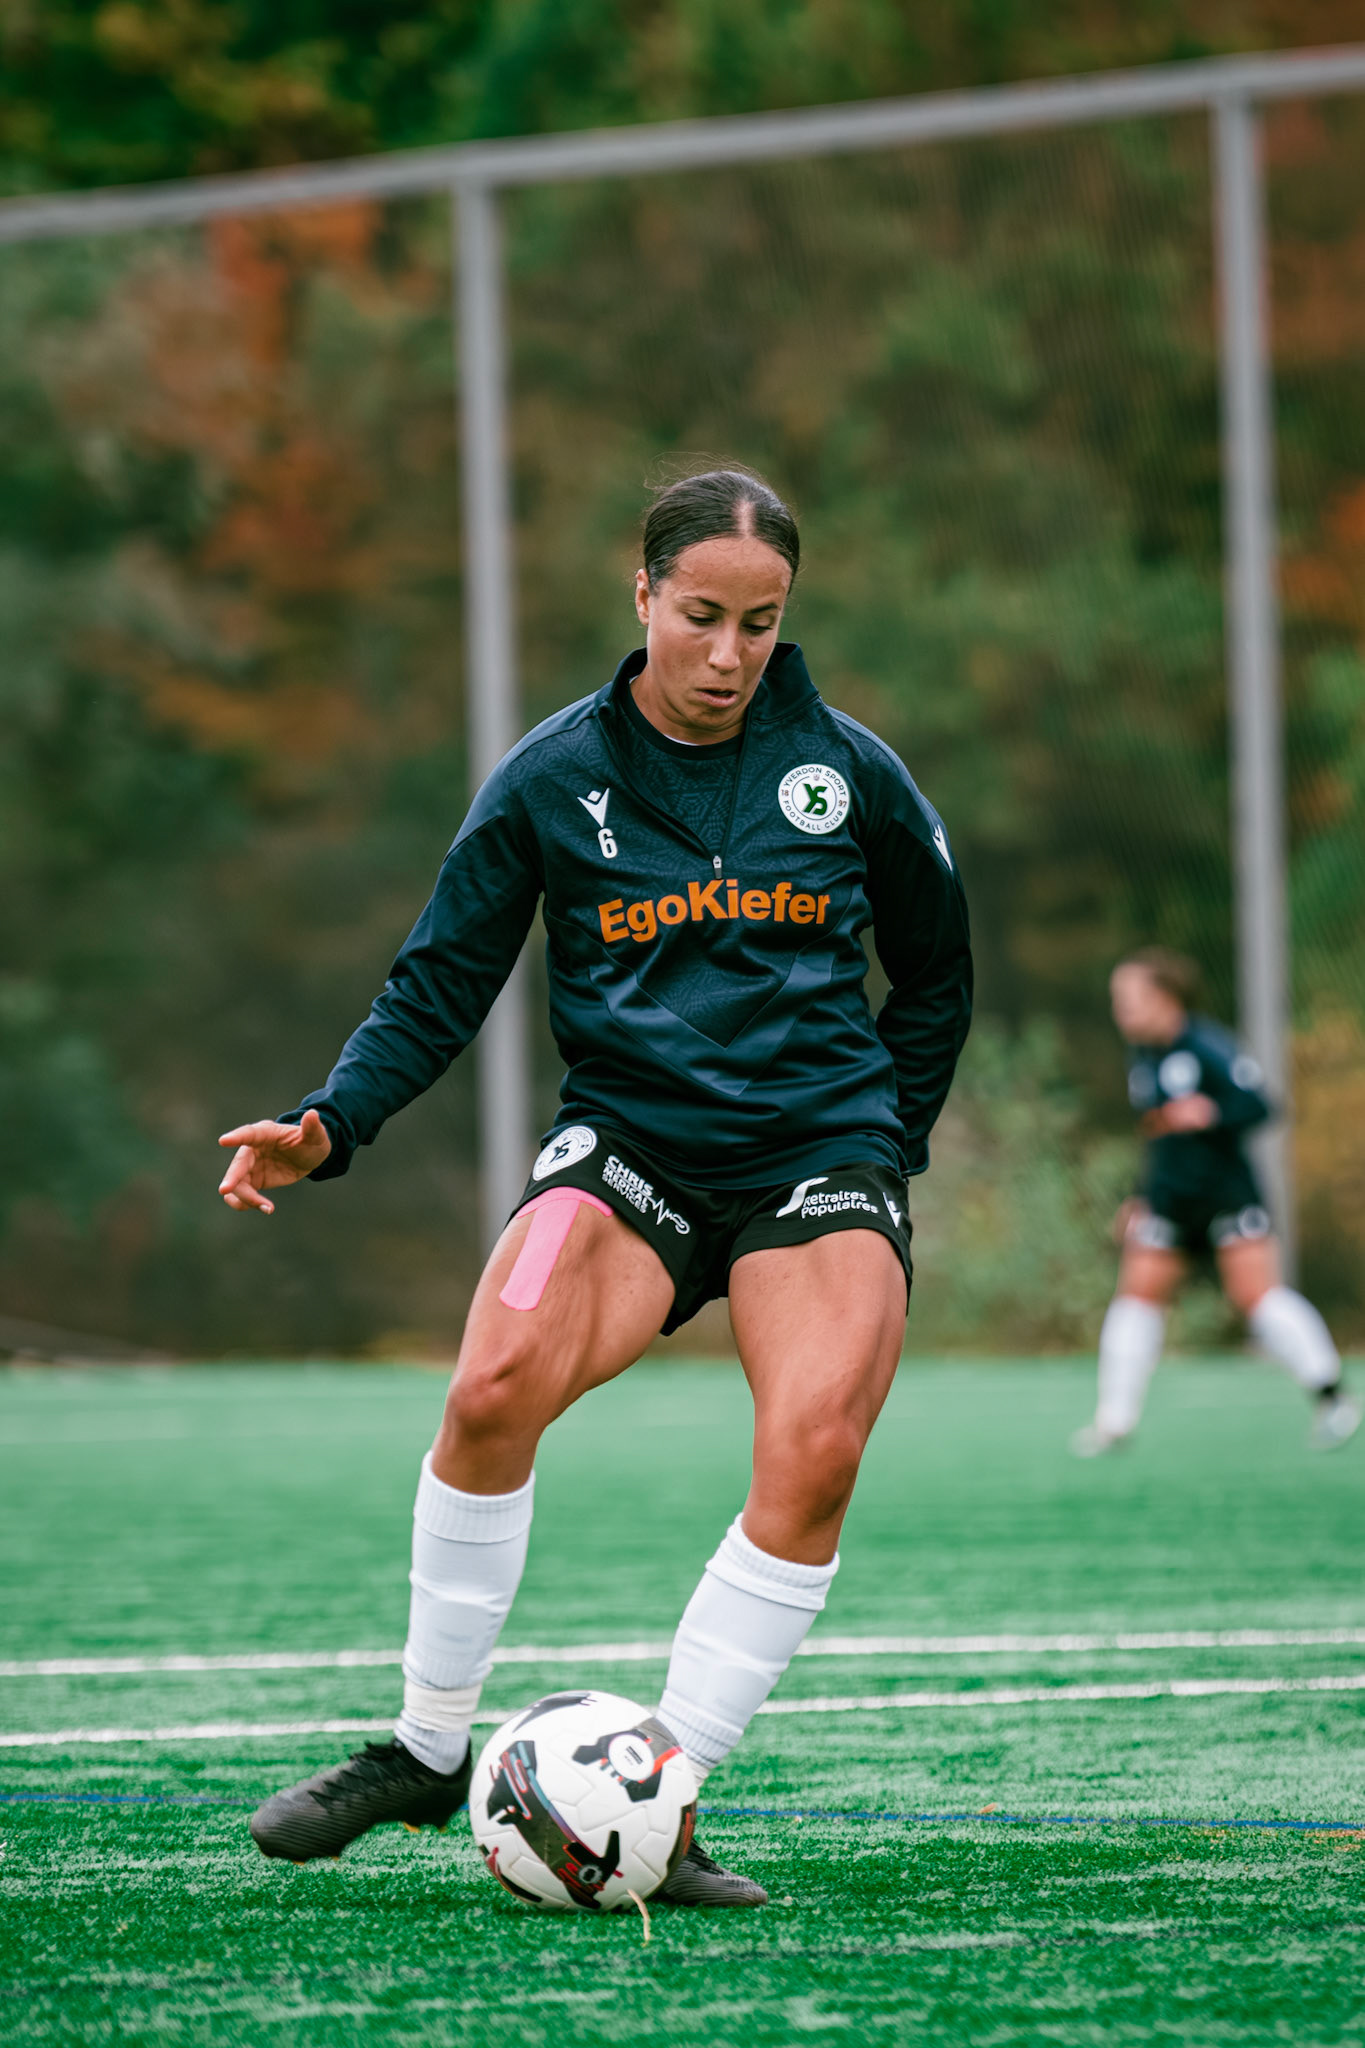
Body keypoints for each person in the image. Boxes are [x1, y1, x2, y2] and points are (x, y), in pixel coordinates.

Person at [218, 467, 972, 1907]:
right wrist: (329, 1123)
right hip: (632, 1148)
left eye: (760, 623)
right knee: (490, 1384)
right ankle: (426, 1748)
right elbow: (439, 981)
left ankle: (660, 1799)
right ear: (642, 596)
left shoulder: (851, 772)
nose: (730, 655)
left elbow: (937, 974)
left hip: (817, 1153)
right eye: (701, 616)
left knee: (816, 1444)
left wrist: (886, 1149)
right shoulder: (553, 775)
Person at [1072, 946, 1359, 1458]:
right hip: (1170, 1203)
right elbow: (1159, 1137)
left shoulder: (1209, 1047)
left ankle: (1334, 1398)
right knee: (1136, 1298)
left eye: (1129, 998)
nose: (1121, 1010)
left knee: (1257, 1298)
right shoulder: (1143, 1055)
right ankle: (1114, 1421)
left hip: (1226, 1198)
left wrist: (1211, 1113)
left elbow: (1261, 1106)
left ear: (1166, 998)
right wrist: (1140, 1197)